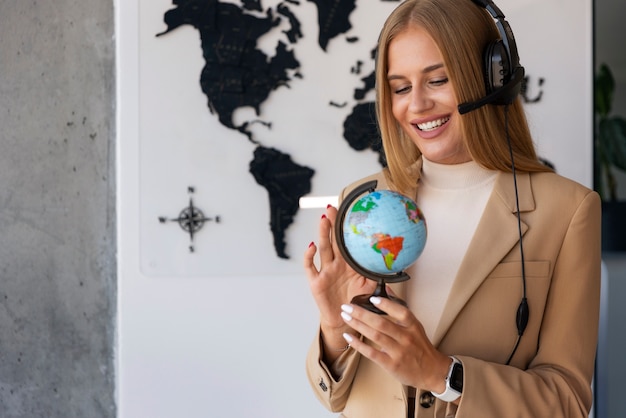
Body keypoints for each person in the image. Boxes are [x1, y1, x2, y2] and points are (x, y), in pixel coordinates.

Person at [303, 0, 601, 417]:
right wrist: (335, 329)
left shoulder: (569, 210)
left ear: (492, 79)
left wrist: (443, 375)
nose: (418, 104)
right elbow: (332, 396)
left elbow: (567, 402)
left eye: (438, 80)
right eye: (401, 88)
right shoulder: (364, 202)